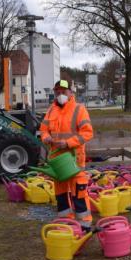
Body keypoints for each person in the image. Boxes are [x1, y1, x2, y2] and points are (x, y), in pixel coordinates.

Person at [39, 79, 94, 230]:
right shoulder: (51, 110)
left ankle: (85, 224)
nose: (60, 95)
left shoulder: (78, 109)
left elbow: (87, 133)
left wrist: (68, 143)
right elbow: (43, 130)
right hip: (57, 161)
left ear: (70, 92)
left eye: (63, 92)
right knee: (61, 193)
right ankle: (65, 221)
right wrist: (46, 138)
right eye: (57, 92)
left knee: (79, 192)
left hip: (74, 159)